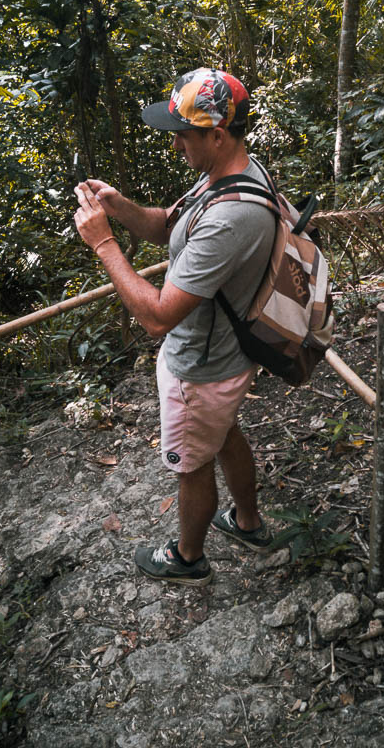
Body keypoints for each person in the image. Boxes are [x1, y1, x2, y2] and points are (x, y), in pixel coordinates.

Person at [73, 68, 276, 587]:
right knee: (224, 433)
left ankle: (187, 558)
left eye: (183, 133)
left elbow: (157, 315)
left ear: (216, 133)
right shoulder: (231, 173)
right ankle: (248, 522)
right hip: (224, 358)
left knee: (192, 465)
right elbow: (171, 223)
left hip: (202, 369)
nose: (176, 143)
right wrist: (120, 209)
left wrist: (103, 243)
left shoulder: (232, 217)